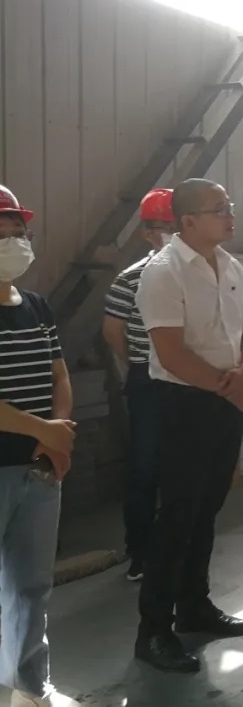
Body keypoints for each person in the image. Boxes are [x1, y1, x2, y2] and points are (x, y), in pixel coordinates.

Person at [134, 178, 243, 673]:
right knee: (177, 515)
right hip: (183, 403)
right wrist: (232, 388)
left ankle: (194, 605)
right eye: (219, 209)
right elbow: (170, 353)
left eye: (230, 206)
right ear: (187, 221)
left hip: (223, 398)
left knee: (207, 508)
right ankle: (153, 630)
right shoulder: (163, 272)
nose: (230, 216)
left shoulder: (229, 265)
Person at [0, 187, 77, 706]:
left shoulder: (36, 306)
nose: (13, 241)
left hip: (39, 469)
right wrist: (44, 431)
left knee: (31, 586)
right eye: (1, 233)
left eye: (18, 231)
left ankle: (28, 684)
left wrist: (58, 434)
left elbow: (59, 374)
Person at [103, 188, 174, 583]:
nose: (174, 234)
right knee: (146, 467)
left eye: (179, 226)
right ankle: (142, 552)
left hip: (191, 380)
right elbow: (112, 330)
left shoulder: (202, 275)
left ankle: (179, 545)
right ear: (149, 233)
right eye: (166, 227)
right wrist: (138, 362)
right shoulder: (131, 278)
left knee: (185, 466)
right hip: (149, 380)